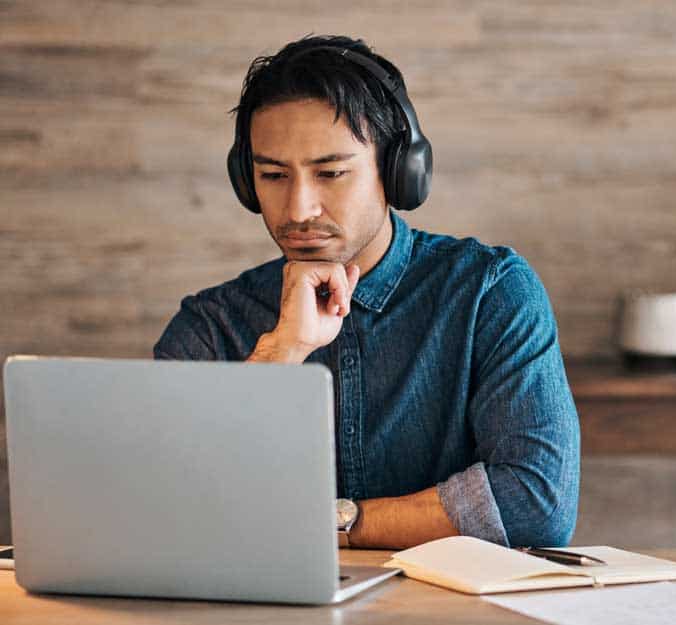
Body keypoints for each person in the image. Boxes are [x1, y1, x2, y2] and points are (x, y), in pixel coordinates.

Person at [154, 35, 580, 550]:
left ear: (400, 170)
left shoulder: (489, 292)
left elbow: (536, 503)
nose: (298, 209)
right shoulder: (209, 325)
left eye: (331, 173)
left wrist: (335, 521)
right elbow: (171, 505)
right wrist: (280, 352)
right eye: (272, 175)